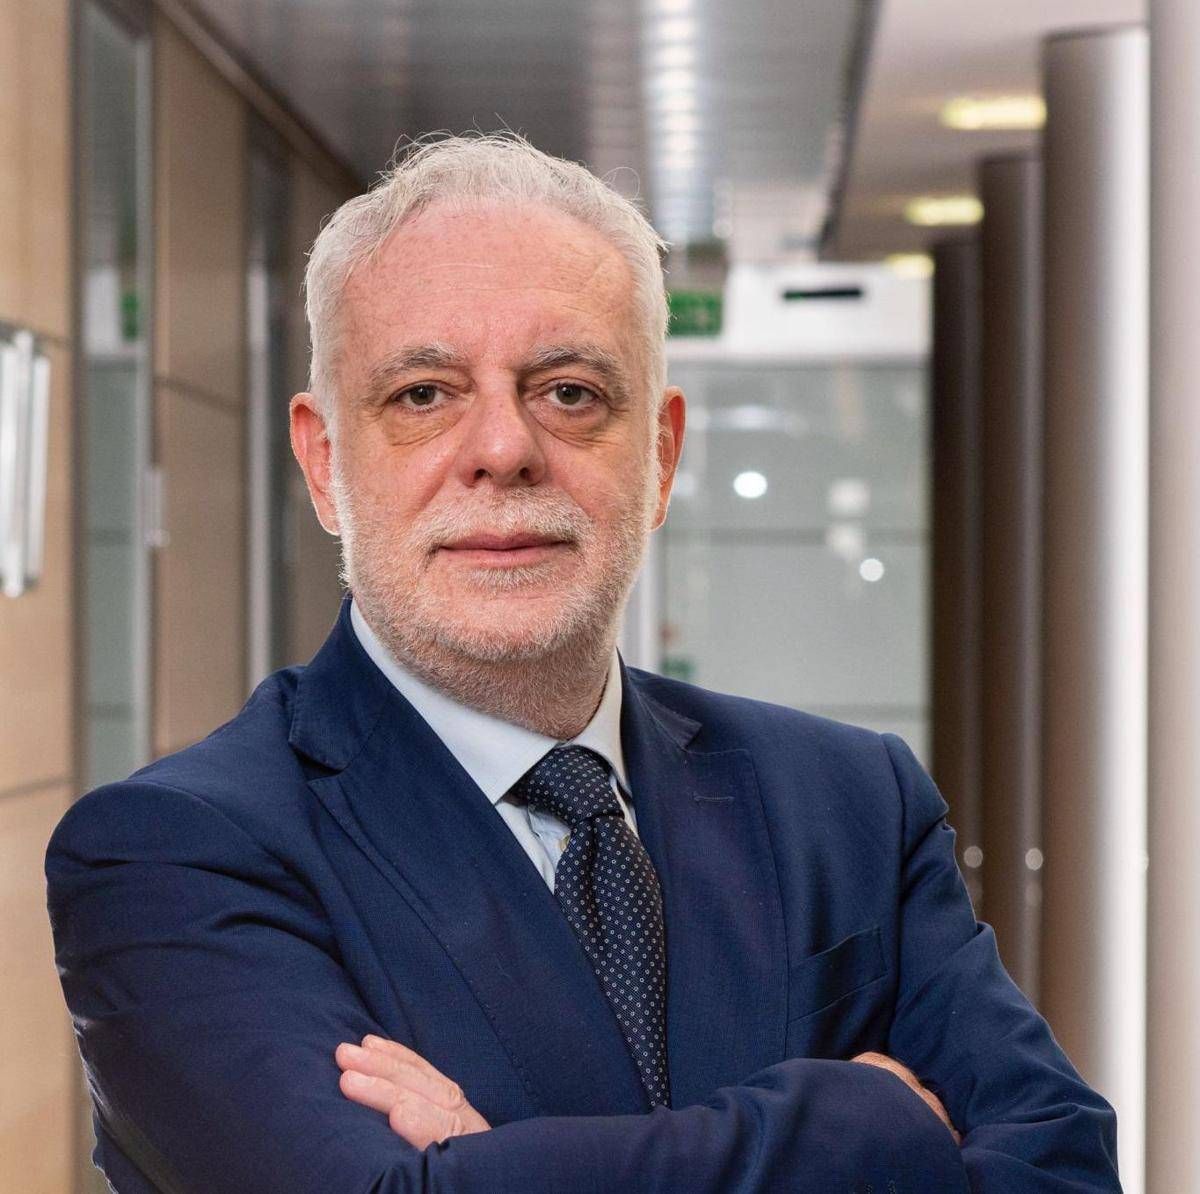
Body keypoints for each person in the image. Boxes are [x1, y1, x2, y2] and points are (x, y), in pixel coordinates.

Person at [46, 133, 1119, 1193]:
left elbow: (1062, 1167)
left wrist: (494, 1163)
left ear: (661, 455)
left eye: (568, 392)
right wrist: (865, 1124)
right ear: (326, 463)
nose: (504, 450)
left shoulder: (851, 804)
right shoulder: (175, 856)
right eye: (424, 394)